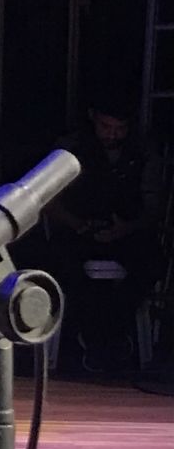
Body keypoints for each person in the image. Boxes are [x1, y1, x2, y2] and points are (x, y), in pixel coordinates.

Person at [47, 98, 166, 372]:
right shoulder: (70, 148)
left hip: (126, 231)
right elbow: (49, 202)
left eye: (120, 128)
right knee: (62, 266)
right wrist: (79, 225)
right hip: (77, 230)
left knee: (150, 264)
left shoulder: (143, 152)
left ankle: (112, 332)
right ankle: (89, 337)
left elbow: (153, 206)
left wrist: (127, 227)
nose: (112, 134)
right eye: (106, 126)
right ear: (93, 118)